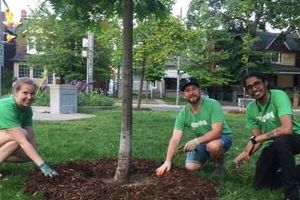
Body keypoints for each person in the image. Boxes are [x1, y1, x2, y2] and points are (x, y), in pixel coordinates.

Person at [234, 71, 300, 200]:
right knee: (261, 185)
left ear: (265, 83)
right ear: (247, 91)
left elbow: (287, 129)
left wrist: (257, 139)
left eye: (257, 84)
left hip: (295, 137)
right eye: (249, 87)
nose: (254, 89)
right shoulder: (251, 109)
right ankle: (296, 172)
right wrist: (244, 153)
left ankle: (291, 194)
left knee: (281, 140)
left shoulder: (278, 96)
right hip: (274, 144)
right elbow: (256, 138)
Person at [155, 77, 232, 176]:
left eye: (194, 88)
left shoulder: (213, 104)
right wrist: (168, 161)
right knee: (191, 167)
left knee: (213, 146)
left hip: (222, 137)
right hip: (203, 141)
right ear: (183, 95)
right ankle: (210, 156)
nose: (191, 92)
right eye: (187, 90)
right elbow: (175, 138)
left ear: (199, 90)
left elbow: (217, 132)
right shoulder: (183, 114)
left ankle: (219, 165)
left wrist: (196, 141)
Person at [0, 77, 58, 178]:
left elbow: (31, 137)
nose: (29, 97)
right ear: (16, 92)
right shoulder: (6, 106)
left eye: (32, 93)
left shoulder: (27, 109)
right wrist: (42, 165)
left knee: (27, 154)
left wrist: (36, 159)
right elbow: (22, 140)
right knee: (21, 134)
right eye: (25, 93)